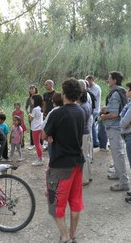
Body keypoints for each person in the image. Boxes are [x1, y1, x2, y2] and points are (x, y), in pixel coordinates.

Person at [44, 77, 85, 243]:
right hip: (77, 162)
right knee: (75, 201)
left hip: (60, 164)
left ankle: (64, 236)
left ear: (64, 92)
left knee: (55, 202)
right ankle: (73, 234)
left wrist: (50, 136)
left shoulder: (58, 113)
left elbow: (44, 135)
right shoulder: (81, 111)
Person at [100, 71, 130, 192]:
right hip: (117, 127)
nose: (107, 80)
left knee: (118, 154)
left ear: (114, 80)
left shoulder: (116, 94)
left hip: (114, 127)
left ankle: (124, 182)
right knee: (117, 153)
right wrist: (106, 108)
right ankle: (118, 174)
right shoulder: (121, 91)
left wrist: (103, 115)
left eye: (109, 78)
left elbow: (115, 114)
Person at [78, 79, 93, 186]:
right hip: (86, 132)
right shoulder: (86, 104)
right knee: (86, 155)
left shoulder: (82, 108)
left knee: (83, 156)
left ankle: (84, 179)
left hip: (83, 133)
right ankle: (89, 176)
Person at [41, 92, 64, 157]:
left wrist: (46, 138)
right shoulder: (68, 110)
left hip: (54, 141)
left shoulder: (53, 112)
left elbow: (43, 128)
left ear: (53, 102)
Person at [85, 75, 102, 148]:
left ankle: (95, 142)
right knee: (93, 125)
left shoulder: (96, 88)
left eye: (87, 80)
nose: (87, 82)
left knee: (92, 126)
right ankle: (95, 141)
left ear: (91, 79)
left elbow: (91, 97)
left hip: (95, 110)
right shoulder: (91, 88)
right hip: (93, 109)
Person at [28, 94, 44, 166]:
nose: (31, 101)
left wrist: (29, 114)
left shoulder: (35, 109)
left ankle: (39, 160)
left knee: (37, 144)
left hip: (35, 128)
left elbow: (30, 119)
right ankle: (40, 157)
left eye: (32, 99)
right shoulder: (40, 108)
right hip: (40, 127)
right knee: (39, 144)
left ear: (35, 100)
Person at [25, 85, 38, 150]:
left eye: (33, 88)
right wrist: (28, 113)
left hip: (38, 115)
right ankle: (32, 144)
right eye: (30, 88)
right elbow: (26, 107)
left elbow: (43, 105)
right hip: (31, 116)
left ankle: (40, 143)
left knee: (39, 129)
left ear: (35, 89)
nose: (32, 90)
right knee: (32, 129)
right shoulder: (29, 99)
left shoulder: (39, 97)